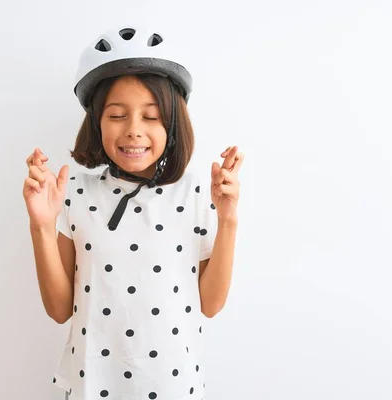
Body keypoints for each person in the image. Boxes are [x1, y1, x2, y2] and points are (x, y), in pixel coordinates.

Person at [22, 25, 244, 400]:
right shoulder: (73, 193)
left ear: (173, 123)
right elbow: (60, 310)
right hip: (93, 384)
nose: (134, 131)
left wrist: (228, 219)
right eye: (117, 115)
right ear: (96, 122)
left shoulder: (195, 193)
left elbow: (211, 304)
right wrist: (42, 227)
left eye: (151, 116)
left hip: (174, 386)